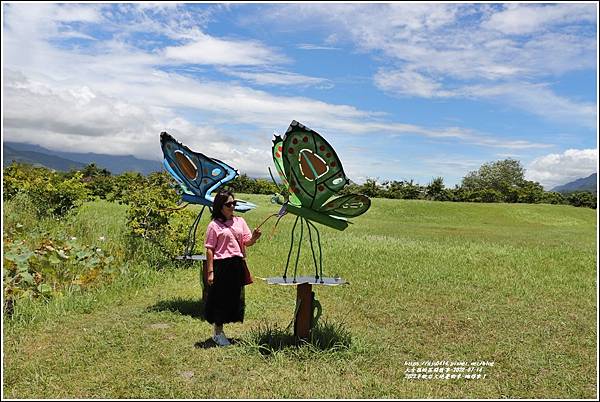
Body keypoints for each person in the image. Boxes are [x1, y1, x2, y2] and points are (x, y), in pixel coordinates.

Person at [204, 190, 261, 347]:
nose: (232, 206)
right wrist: (210, 272)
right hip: (221, 265)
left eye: (234, 203)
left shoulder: (240, 221)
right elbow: (209, 249)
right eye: (229, 204)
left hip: (237, 264)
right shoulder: (213, 225)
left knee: (232, 299)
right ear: (220, 206)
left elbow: (246, 242)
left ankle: (220, 332)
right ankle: (217, 333)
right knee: (220, 299)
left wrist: (254, 238)